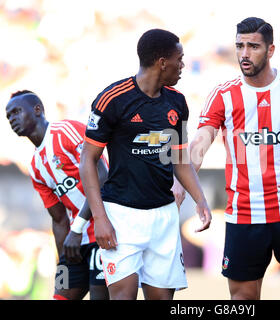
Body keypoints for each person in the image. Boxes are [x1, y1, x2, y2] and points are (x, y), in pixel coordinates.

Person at [184, 17, 280, 300]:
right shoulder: (223, 94)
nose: (244, 53)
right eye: (239, 46)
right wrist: (183, 188)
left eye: (253, 46)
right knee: (242, 300)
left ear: (270, 50)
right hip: (244, 215)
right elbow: (199, 145)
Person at [79, 28, 212, 300]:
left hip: (163, 216)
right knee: (123, 297)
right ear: (162, 62)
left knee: (162, 298)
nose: (183, 65)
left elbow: (180, 160)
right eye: (180, 58)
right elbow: (87, 161)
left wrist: (200, 200)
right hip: (121, 216)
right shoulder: (112, 99)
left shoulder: (177, 102)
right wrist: (100, 218)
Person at [5, 90, 109, 300]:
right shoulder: (35, 167)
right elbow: (59, 219)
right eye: (9, 117)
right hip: (77, 241)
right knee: (59, 296)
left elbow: (102, 175)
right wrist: (61, 264)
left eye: (17, 112)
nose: (13, 119)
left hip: (104, 232)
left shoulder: (65, 131)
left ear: (37, 110)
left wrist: (78, 227)